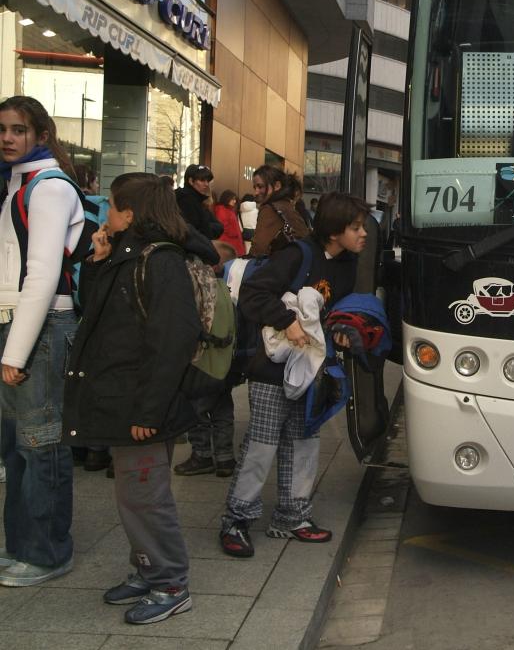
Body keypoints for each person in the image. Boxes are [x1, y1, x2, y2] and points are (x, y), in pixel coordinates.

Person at [63, 172, 215, 624]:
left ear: (130, 214)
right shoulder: (129, 255)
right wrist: (96, 263)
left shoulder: (161, 260)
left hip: (144, 403)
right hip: (127, 397)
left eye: (110, 206)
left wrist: (149, 410)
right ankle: (147, 570)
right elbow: (100, 314)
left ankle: (171, 583)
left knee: (146, 495)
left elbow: (174, 338)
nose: (105, 214)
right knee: (134, 494)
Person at [219, 192, 371, 558]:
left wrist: (337, 331)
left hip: (311, 370)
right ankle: (236, 520)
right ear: (335, 231)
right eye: (356, 227)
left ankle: (292, 516)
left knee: (304, 443)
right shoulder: (297, 254)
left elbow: (332, 309)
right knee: (261, 445)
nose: (363, 233)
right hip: (273, 369)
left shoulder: (348, 263)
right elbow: (254, 294)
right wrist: (287, 321)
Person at [0, 96, 83, 587]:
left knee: (40, 445)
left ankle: (47, 553)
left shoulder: (48, 188)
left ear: (42, 134)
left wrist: (15, 351)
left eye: (18, 129)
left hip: (41, 327)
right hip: (24, 325)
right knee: (19, 448)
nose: (8, 137)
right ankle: (27, 548)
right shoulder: (21, 183)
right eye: (3, 129)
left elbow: (44, 274)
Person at [174, 239, 238, 478]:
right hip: (225, 365)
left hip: (203, 364)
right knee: (222, 412)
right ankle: (225, 458)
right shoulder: (227, 289)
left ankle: (202, 455)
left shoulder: (204, 289)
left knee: (198, 413)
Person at [248, 166, 309, 257]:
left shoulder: (269, 209)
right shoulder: (286, 205)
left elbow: (258, 249)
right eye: (255, 188)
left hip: (281, 268)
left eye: (260, 187)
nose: (256, 192)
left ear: (277, 186)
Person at [175, 164, 223, 241]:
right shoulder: (186, 200)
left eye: (207, 181)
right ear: (191, 181)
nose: (206, 184)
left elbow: (219, 226)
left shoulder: (199, 200)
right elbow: (194, 230)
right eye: (202, 180)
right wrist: (208, 227)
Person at [214, 190, 245, 256]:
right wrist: (234, 233)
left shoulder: (228, 209)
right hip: (229, 241)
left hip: (232, 240)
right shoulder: (221, 210)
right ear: (226, 198)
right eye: (233, 199)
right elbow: (223, 225)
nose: (235, 201)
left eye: (235, 199)